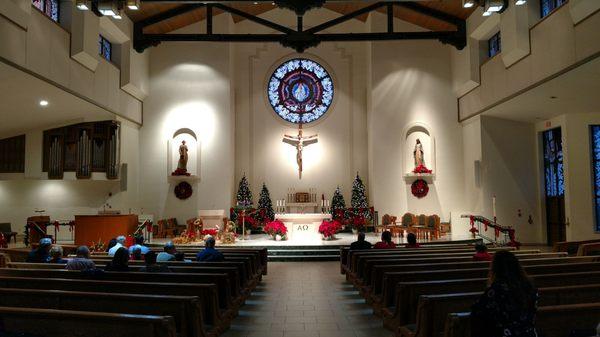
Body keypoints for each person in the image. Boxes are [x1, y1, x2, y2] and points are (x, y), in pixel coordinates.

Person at [471, 250, 538, 337]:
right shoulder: (529, 287)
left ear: (496, 268)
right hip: (528, 333)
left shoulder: (497, 289)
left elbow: (479, 310)